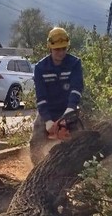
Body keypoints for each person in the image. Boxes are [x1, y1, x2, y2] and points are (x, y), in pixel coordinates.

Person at [30, 27, 84, 165]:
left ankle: (77, 171)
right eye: (57, 49)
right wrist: (48, 121)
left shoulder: (74, 64)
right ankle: (36, 170)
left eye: (63, 49)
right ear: (50, 48)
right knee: (36, 141)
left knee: (81, 141)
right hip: (48, 110)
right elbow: (41, 97)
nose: (61, 52)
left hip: (68, 109)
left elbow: (76, 89)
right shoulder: (40, 68)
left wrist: (70, 110)